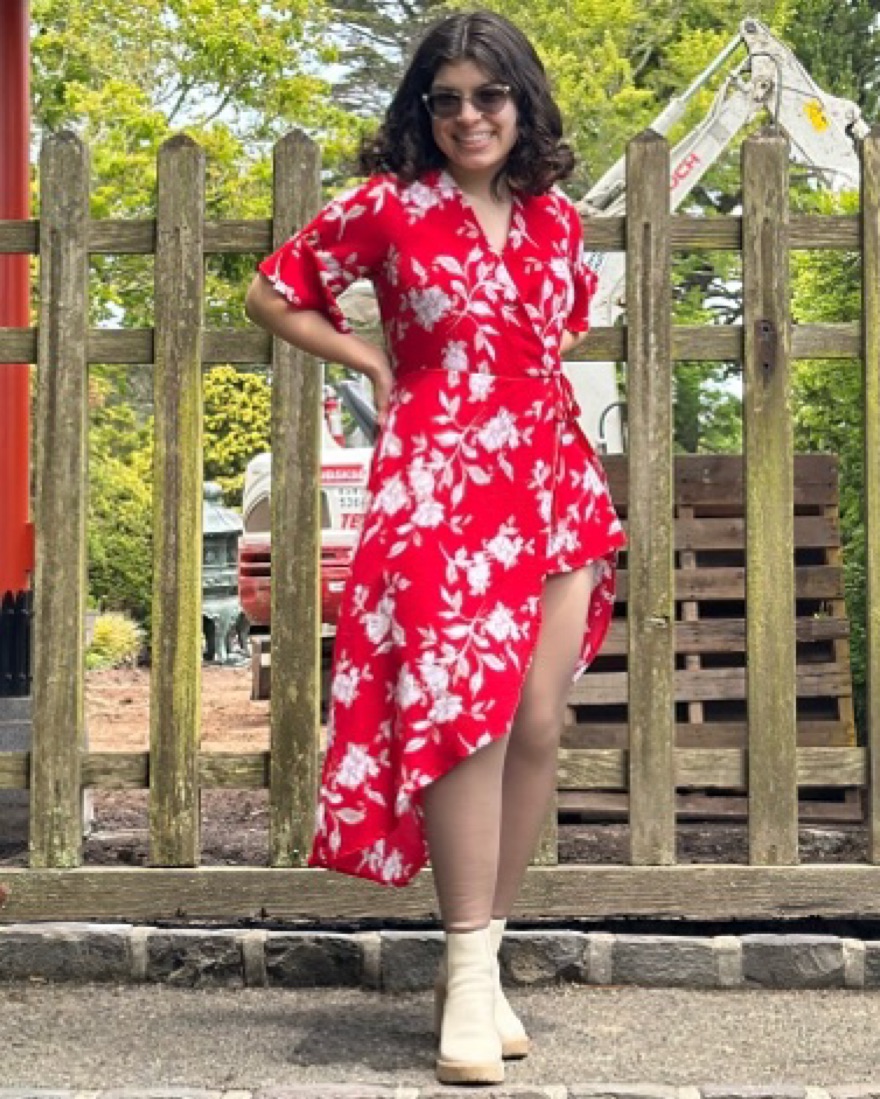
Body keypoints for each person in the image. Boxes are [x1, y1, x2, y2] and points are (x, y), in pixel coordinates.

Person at [245, 9, 626, 1085]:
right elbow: (272, 290)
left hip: (551, 483)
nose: (469, 117)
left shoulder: (556, 220)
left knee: (537, 719)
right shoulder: (387, 205)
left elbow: (555, 333)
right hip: (441, 485)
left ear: (521, 102)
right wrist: (372, 359)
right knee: (466, 720)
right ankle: (461, 973)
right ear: (425, 109)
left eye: (488, 96)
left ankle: (487, 962)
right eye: (447, 99)